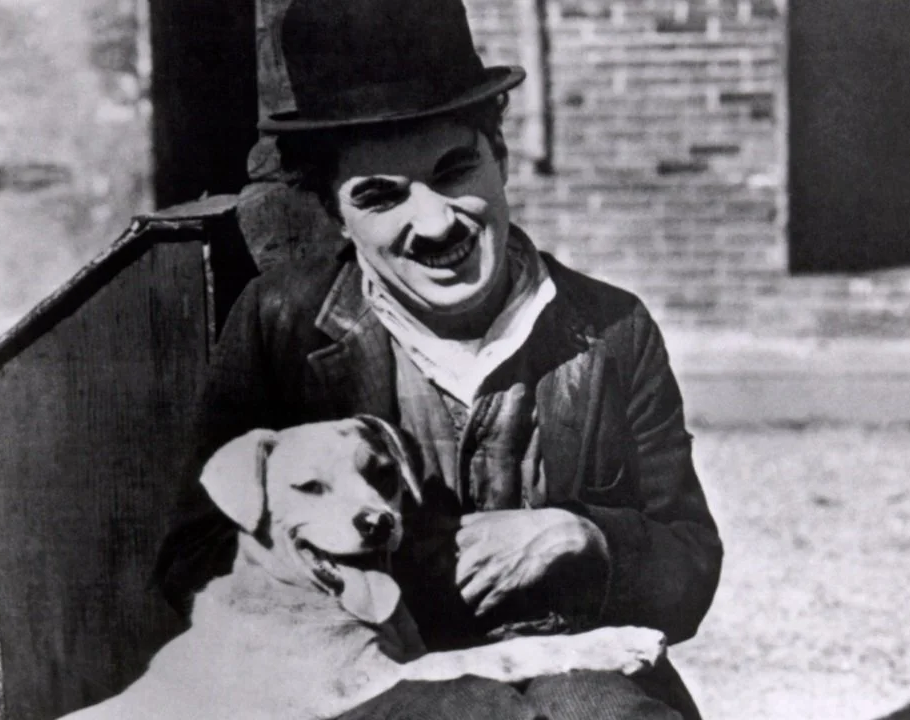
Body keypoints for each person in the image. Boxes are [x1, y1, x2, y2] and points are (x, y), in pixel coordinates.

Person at [153, 0, 723, 717]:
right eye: (380, 197)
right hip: (371, 673)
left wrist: (584, 536)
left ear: (501, 159)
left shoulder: (611, 329)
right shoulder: (283, 324)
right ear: (335, 214)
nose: (432, 222)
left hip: (576, 659)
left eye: (454, 171)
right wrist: (347, 570)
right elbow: (193, 557)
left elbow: (689, 569)